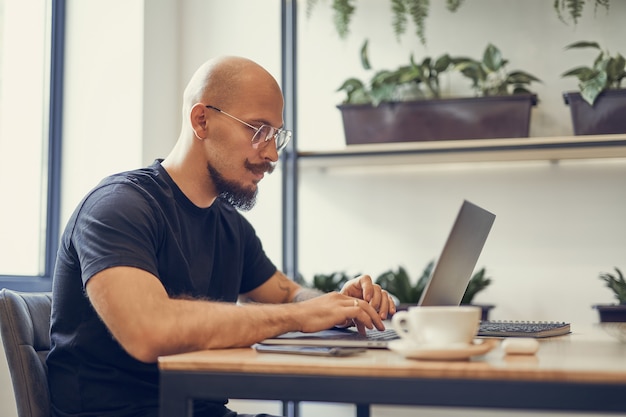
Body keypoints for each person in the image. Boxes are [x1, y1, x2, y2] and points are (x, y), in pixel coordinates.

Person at [47, 55, 396, 417]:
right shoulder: (118, 207)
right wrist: (299, 316)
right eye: (258, 130)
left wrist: (336, 305)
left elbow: (286, 294)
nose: (272, 154)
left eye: (277, 135)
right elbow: (148, 332)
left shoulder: (229, 225)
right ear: (202, 120)